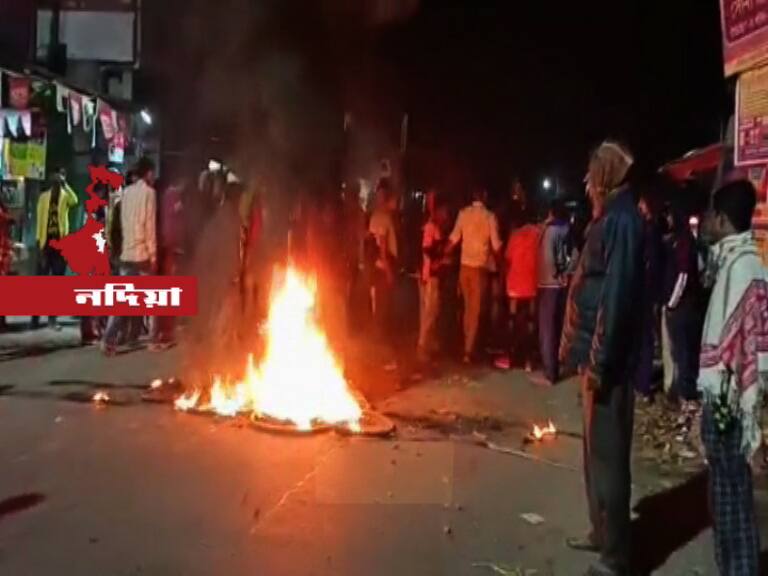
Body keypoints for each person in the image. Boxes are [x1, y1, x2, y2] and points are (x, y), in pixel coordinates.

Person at [560, 141, 643, 576]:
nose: (587, 183)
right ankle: (601, 532)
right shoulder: (609, 217)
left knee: (609, 460)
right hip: (595, 359)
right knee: (595, 457)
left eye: (593, 174)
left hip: (607, 365)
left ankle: (616, 558)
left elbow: (616, 298)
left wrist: (600, 362)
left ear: (608, 174)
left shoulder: (623, 222)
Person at [698, 180, 767, 576]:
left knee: (731, 503)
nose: (706, 222)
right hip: (734, 397)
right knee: (728, 498)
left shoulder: (739, 267)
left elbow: (736, 344)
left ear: (723, 220)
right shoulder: (745, 261)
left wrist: (729, 404)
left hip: (729, 402)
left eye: (711, 215)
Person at [101, 157, 157, 356]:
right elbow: (149, 226)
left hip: (127, 252)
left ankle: (108, 339)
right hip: (142, 253)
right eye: (153, 172)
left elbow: (121, 225)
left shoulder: (124, 194)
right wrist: (153, 253)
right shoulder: (149, 194)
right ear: (148, 173)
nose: (154, 176)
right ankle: (153, 337)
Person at [448, 186, 502, 363]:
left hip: (464, 267)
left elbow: (453, 239)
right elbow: (496, 246)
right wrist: (501, 265)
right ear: (484, 196)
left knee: (466, 308)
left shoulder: (463, 214)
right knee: (475, 310)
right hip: (479, 268)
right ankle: (469, 351)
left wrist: (441, 256)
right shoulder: (489, 216)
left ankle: (466, 345)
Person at [663, 207, 702, 406]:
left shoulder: (684, 242)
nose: (667, 218)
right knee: (683, 352)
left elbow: (683, 276)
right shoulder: (684, 240)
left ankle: (687, 398)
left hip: (684, 308)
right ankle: (684, 394)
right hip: (686, 306)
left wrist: (671, 304)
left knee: (684, 353)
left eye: (670, 214)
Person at [33, 169, 79, 330]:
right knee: (40, 282)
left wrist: (65, 184)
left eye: (61, 176)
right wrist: (39, 243)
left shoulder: (66, 196)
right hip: (46, 243)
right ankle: (35, 317)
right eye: (56, 175)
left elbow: (75, 201)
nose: (57, 178)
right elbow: (39, 221)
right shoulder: (44, 197)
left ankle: (52, 318)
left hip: (60, 244)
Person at [495, 215, 539, 371]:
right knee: (530, 322)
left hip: (515, 285)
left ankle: (511, 359)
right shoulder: (538, 233)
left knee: (513, 321)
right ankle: (529, 360)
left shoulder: (514, 236)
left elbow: (507, 260)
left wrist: (502, 281)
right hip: (532, 283)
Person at [536, 200, 571, 385]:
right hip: (559, 285)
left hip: (548, 284)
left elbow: (549, 257)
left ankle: (550, 373)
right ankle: (553, 369)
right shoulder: (565, 230)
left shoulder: (550, 231)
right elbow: (569, 255)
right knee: (555, 328)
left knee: (547, 329)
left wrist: (554, 274)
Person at [634, 194, 663, 400]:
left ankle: (643, 385)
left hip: (645, 293)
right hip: (644, 291)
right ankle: (640, 382)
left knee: (644, 341)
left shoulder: (650, 230)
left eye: (642, 203)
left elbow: (651, 264)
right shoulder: (648, 228)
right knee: (641, 340)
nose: (639, 206)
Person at [417, 201, 450, 363]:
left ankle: (427, 345)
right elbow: (427, 249)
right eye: (443, 212)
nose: (446, 216)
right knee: (429, 312)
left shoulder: (436, 228)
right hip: (429, 275)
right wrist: (438, 262)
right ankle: (422, 347)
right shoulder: (431, 227)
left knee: (432, 311)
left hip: (432, 275)